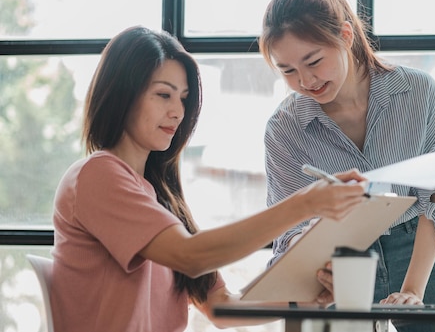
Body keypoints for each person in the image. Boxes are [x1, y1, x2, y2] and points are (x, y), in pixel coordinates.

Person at [50, 25, 369, 332]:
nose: (178, 111)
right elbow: (190, 256)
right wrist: (305, 203)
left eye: (184, 99)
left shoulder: (157, 196)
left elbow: (221, 306)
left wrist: (305, 300)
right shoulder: (97, 175)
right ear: (122, 95)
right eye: (164, 95)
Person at [258, 0, 435, 332]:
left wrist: (413, 290)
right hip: (339, 258)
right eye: (288, 71)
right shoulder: (284, 128)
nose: (305, 80)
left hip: (418, 247)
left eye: (313, 61)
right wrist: (318, 265)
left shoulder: (416, 92)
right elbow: (289, 226)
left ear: (345, 35)